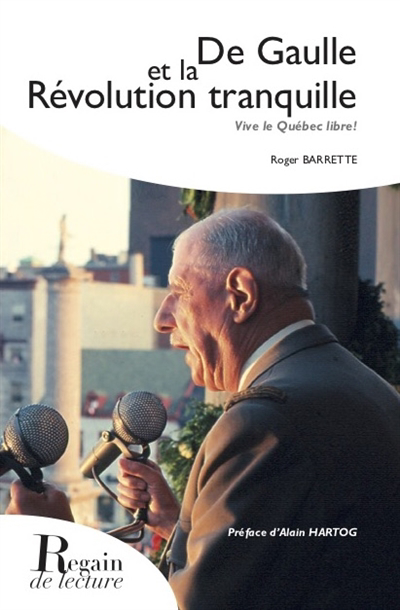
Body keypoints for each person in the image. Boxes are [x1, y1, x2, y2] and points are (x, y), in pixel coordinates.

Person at [7, 209, 400, 609]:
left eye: (178, 292)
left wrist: (59, 550)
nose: (161, 319)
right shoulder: (366, 387)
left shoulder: (263, 424)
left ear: (240, 295)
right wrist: (183, 525)